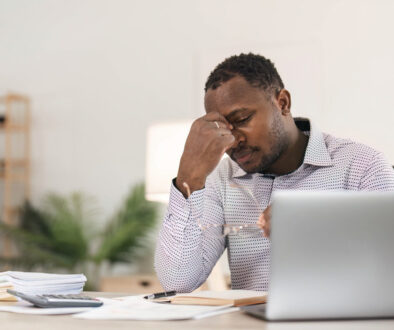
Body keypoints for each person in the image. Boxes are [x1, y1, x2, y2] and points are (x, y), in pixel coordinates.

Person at [154, 53, 394, 292]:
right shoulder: (221, 180)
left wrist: (316, 225)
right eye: (220, 129)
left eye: (243, 119)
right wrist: (188, 178)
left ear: (283, 103)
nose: (232, 140)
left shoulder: (363, 166)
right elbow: (178, 281)